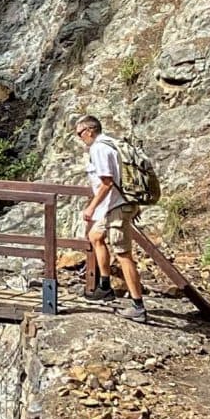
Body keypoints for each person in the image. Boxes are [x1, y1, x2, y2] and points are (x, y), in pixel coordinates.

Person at [75, 113, 147, 316]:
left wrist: (91, 207)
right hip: (116, 205)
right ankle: (105, 286)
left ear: (90, 130)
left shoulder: (99, 148)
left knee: (123, 254)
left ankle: (138, 307)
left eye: (80, 133)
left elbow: (107, 182)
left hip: (117, 207)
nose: (80, 138)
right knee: (95, 236)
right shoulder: (112, 144)